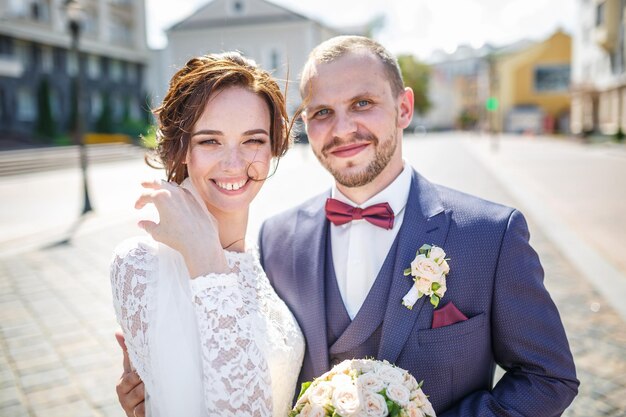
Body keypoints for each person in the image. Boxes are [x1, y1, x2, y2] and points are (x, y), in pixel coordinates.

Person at [118, 36, 579, 416]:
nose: (342, 129)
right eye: (322, 112)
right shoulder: (277, 239)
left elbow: (548, 376)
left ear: (403, 108)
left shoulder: (489, 234)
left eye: (362, 103)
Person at [110, 52, 304, 417]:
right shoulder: (139, 263)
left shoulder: (266, 253)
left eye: (253, 140)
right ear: (182, 149)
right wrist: (205, 261)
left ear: (274, 146)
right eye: (210, 141)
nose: (233, 163)